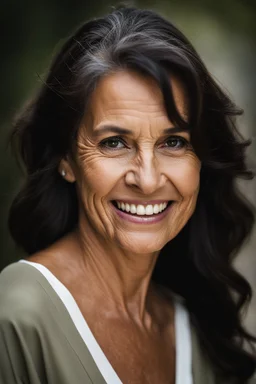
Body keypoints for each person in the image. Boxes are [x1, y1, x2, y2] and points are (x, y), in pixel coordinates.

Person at [0, 6, 255, 384]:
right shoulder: (16, 316)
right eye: (115, 142)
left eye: (173, 142)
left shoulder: (195, 332)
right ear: (66, 158)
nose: (148, 179)